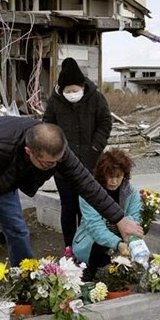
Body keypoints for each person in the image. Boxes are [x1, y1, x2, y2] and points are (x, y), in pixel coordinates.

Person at [0, 116, 144, 288]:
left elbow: (87, 184)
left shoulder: (58, 153)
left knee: (18, 231)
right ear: (29, 152)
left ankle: (26, 279)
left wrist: (119, 219)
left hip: (5, 185)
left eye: (57, 162)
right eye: (47, 164)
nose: (53, 167)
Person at [43, 57, 113, 250]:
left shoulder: (96, 98)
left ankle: (88, 247)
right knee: (68, 208)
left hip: (90, 163)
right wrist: (56, 152)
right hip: (63, 166)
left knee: (88, 209)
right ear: (61, 90)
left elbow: (105, 123)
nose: (72, 94)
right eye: (68, 91)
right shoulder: (55, 101)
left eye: (75, 90)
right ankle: (69, 247)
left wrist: (95, 148)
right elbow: (47, 127)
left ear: (82, 86)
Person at [72, 149, 142, 273]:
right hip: (93, 240)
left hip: (122, 236)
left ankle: (121, 271)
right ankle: (89, 267)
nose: (114, 181)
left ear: (124, 175)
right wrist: (118, 244)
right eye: (110, 176)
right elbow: (95, 227)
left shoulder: (132, 193)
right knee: (100, 250)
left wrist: (130, 240)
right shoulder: (89, 193)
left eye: (118, 176)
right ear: (102, 174)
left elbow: (135, 221)